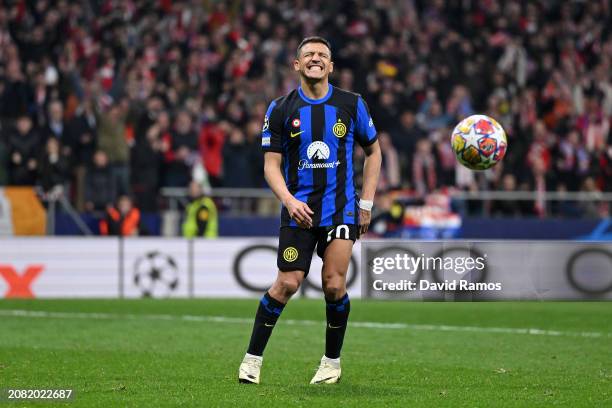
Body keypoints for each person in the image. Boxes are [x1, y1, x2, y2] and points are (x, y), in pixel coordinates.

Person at [238, 37, 382, 385]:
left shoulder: (352, 104)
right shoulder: (280, 109)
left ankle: (331, 363)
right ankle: (252, 360)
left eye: (322, 55)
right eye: (309, 55)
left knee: (334, 285)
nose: (316, 59)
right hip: (299, 209)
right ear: (297, 65)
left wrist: (365, 204)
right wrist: (288, 200)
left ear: (331, 66)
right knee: (287, 283)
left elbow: (374, 152)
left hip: (342, 210)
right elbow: (270, 165)